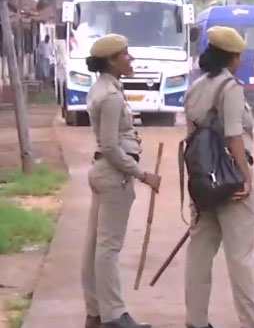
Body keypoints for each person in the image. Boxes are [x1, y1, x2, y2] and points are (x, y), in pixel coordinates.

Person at [184, 26, 254, 328]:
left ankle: (195, 321)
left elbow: (191, 137)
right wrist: (245, 178)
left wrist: (200, 182)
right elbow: (234, 136)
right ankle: (252, 322)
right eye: (239, 55)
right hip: (231, 179)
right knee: (240, 256)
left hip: (203, 181)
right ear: (232, 58)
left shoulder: (196, 86)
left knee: (199, 254)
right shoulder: (229, 88)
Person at [82, 34, 161, 328]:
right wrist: (143, 175)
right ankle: (114, 315)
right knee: (108, 248)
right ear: (112, 60)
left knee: (95, 248)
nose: (131, 59)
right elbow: (111, 146)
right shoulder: (112, 96)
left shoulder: (102, 88)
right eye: (125, 54)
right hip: (114, 175)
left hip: (103, 172)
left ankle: (95, 312)